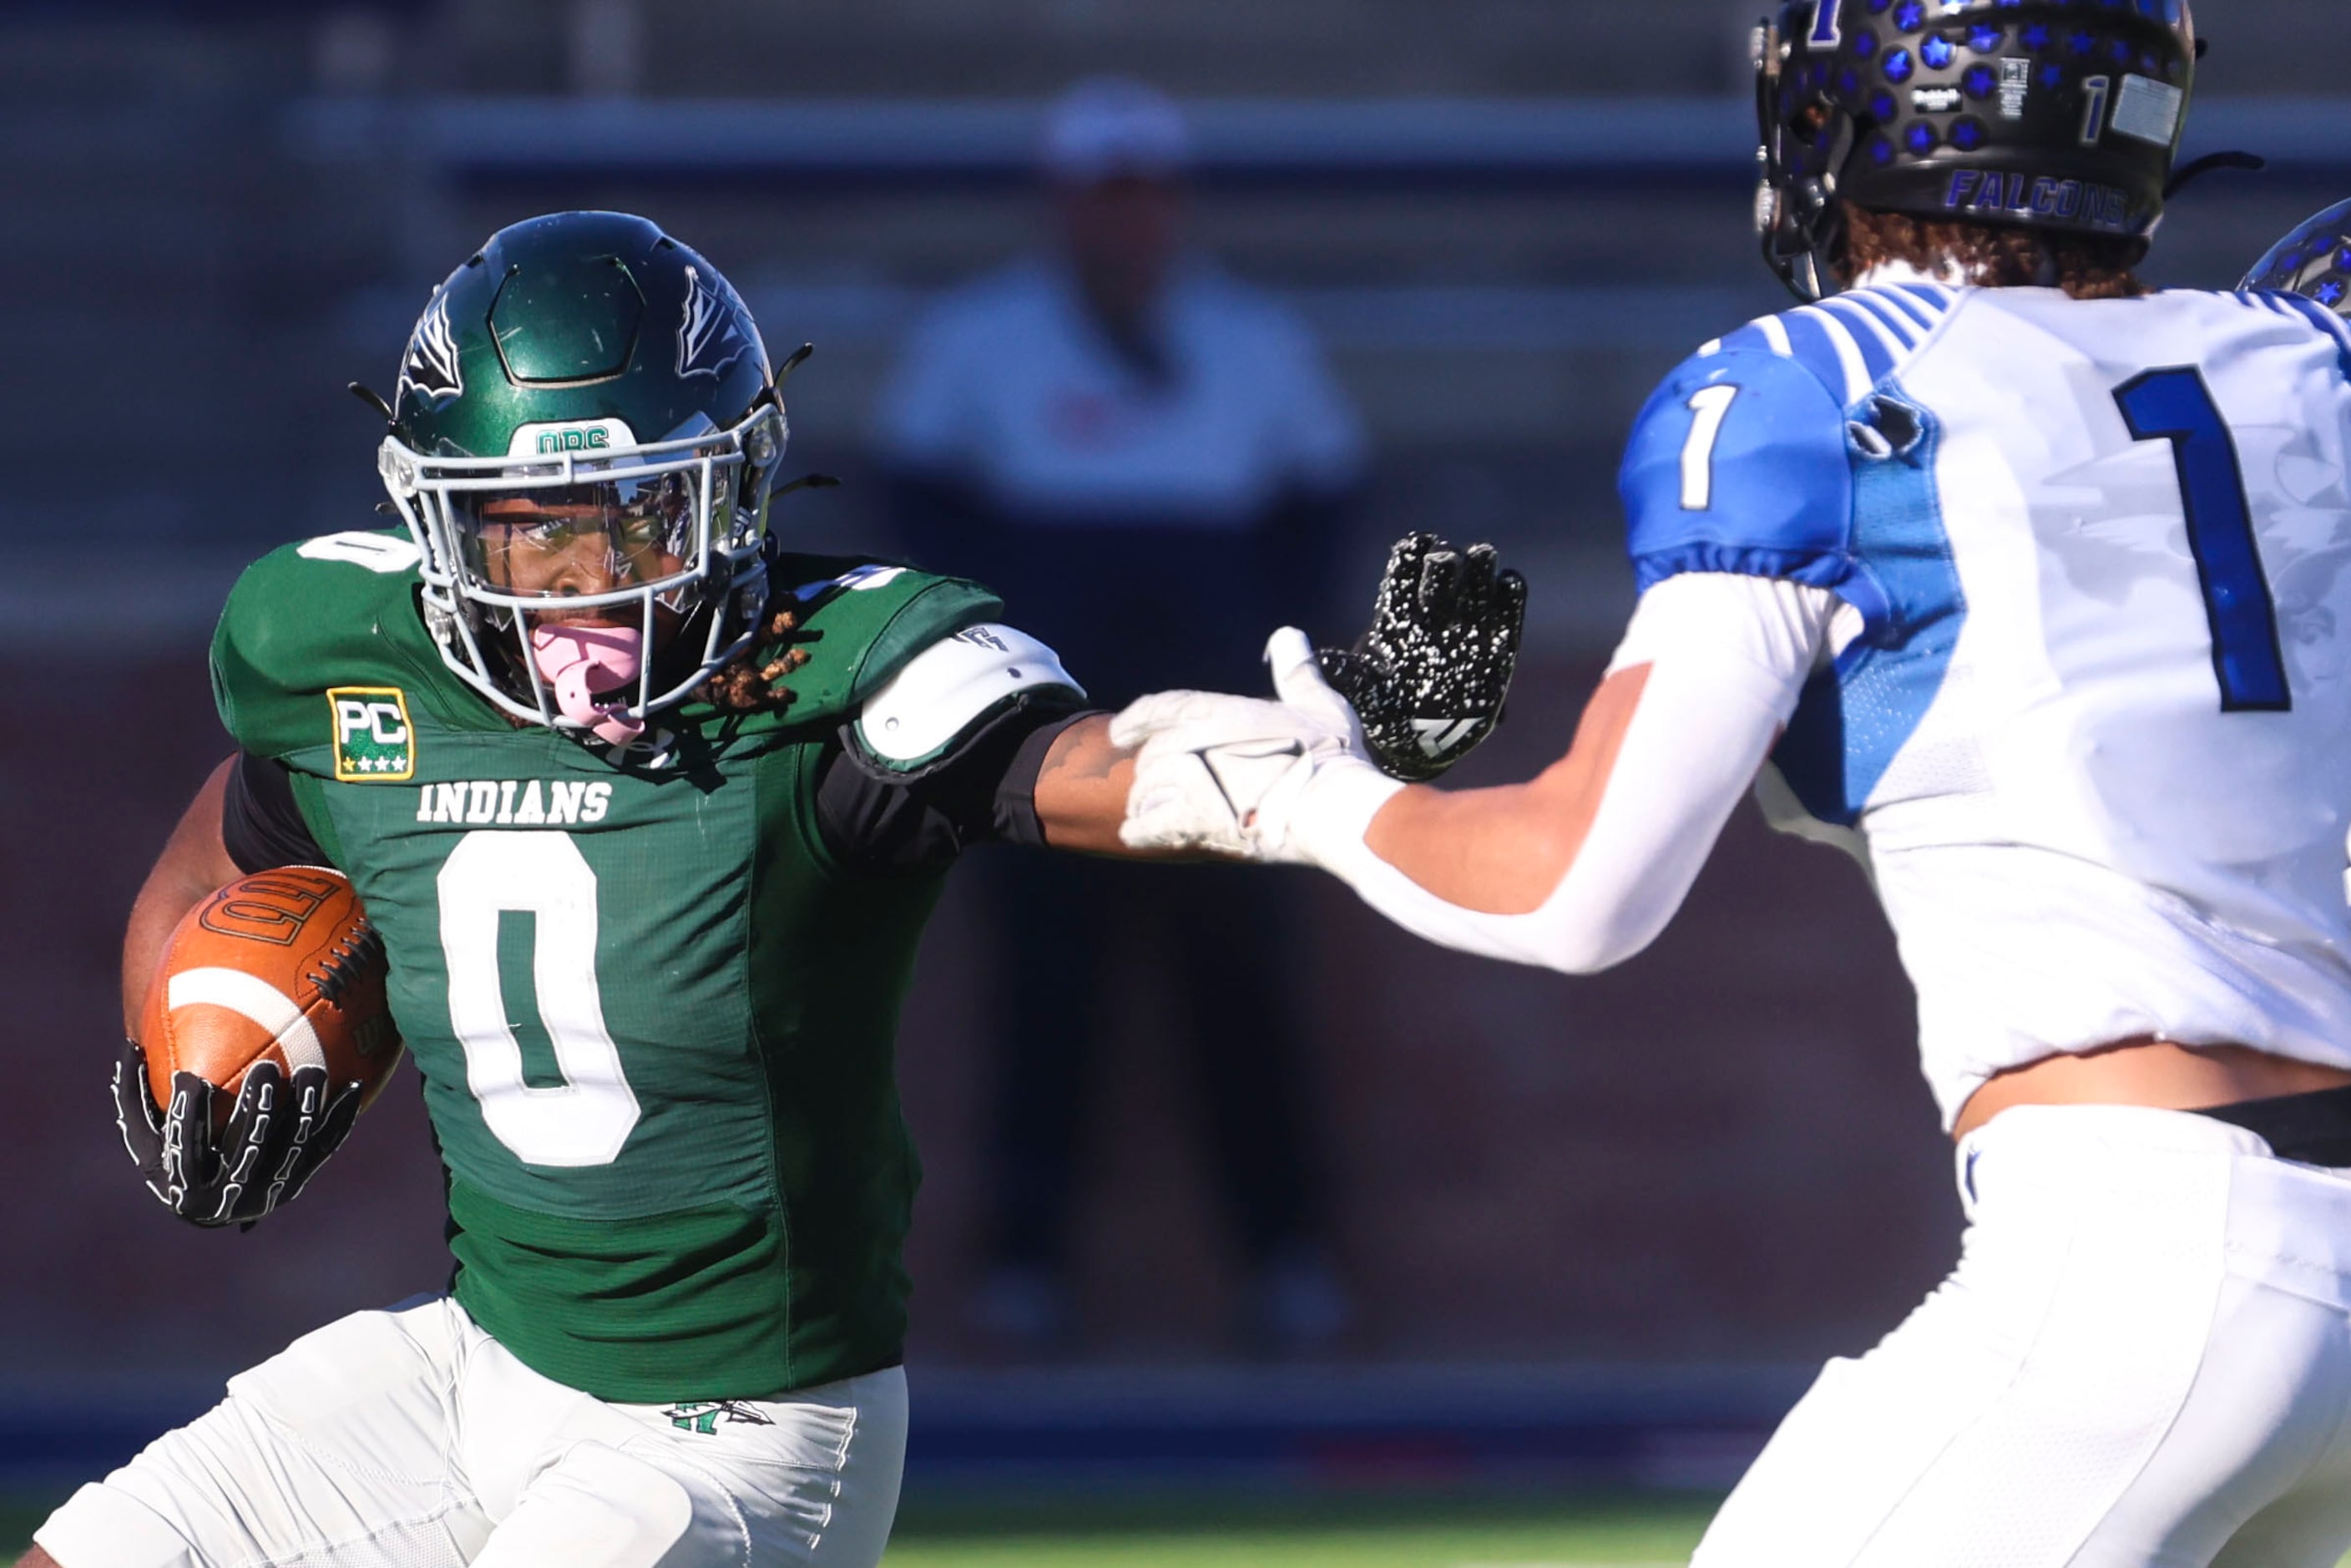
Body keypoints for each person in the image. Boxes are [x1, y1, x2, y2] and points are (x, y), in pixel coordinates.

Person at [25, 210, 1509, 1568]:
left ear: (737, 489)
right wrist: (183, 1045)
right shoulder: (350, 651)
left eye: (634, 520)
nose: (584, 590)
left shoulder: (835, 675)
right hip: (479, 1363)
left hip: (735, 1431)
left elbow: (1081, 765)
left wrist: (1319, 756)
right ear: (438, 521)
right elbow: (234, 832)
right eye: (529, 530)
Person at [1115, 4, 2351, 1563]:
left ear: (1849, 122)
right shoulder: (2301, 359)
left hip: (2141, 1252)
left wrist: (1297, 799)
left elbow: (1577, 892)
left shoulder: (1822, 385)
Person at [874, 78, 1368, 1353]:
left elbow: (1322, 511)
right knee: (1046, 996)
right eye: (1104, 196)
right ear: (1062, 205)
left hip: (1226, 738)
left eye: (1146, 195)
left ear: (1177, 206)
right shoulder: (979, 345)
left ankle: (1288, 1258)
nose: (1126, 222)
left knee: (1244, 993)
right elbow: (922, 516)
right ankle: (1025, 1269)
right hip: (1039, 737)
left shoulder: (1256, 343)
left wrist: (1266, 663)